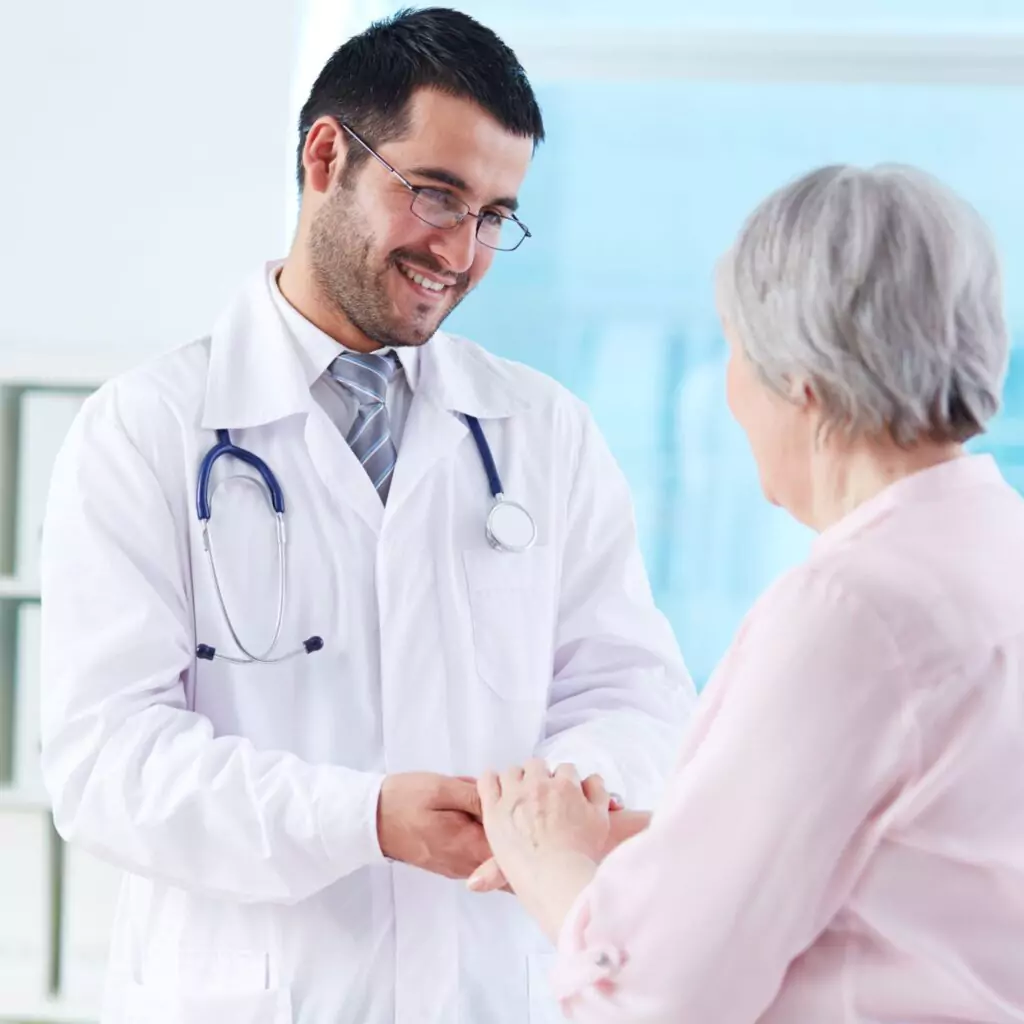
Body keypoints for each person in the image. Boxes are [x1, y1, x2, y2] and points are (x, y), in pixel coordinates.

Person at [38, 9, 692, 1024]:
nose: (461, 250)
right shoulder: (145, 432)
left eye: (493, 215)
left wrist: (543, 808)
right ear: (326, 154)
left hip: (490, 989)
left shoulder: (543, 431)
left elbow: (636, 693)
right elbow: (105, 760)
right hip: (254, 994)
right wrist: (362, 819)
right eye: (436, 194)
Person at [472, 163, 1024, 1023]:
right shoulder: (996, 550)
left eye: (733, 348)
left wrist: (547, 860)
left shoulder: (852, 612)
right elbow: (921, 865)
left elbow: (654, 997)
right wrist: (676, 840)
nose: (727, 389)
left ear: (801, 381)